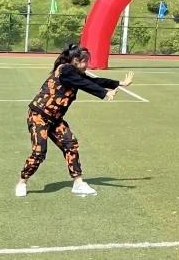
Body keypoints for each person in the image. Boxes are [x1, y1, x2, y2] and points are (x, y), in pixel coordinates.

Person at [16, 44, 134, 198]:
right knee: (39, 152)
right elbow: (85, 84)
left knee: (70, 145)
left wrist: (118, 83)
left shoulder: (73, 73)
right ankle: (22, 182)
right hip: (39, 116)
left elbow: (93, 81)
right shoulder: (65, 69)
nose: (87, 65)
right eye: (85, 61)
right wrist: (104, 93)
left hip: (55, 119)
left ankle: (78, 183)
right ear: (76, 60)